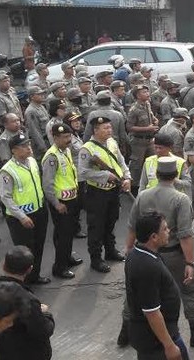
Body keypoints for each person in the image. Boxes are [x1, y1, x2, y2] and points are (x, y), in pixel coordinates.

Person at [126, 156, 194, 348]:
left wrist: (129, 250)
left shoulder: (143, 196)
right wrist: (190, 263)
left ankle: (125, 332)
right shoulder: (180, 199)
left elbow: (132, 226)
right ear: (175, 175)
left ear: (156, 174)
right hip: (174, 255)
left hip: (145, 252)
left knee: (136, 292)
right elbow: (185, 235)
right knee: (190, 290)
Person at [124, 213, 190, 360]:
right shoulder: (146, 266)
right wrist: (169, 346)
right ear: (153, 237)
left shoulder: (140, 254)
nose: (169, 232)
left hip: (160, 336)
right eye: (165, 229)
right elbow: (151, 312)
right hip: (156, 342)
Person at [78, 116, 132, 273]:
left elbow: (121, 162)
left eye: (110, 127)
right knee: (96, 227)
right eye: (105, 128)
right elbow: (83, 172)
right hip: (97, 192)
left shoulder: (112, 142)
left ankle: (110, 251)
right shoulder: (87, 149)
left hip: (113, 190)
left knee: (111, 221)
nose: (109, 130)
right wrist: (104, 175)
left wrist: (127, 177)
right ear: (95, 130)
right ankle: (96, 259)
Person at [0, 133, 50, 285]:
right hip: (20, 218)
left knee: (38, 246)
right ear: (14, 150)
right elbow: (6, 197)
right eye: (24, 146)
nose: (29, 148)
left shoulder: (32, 161)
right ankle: (23, 283)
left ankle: (35, 276)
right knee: (24, 252)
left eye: (29, 145)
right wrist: (21, 216)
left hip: (39, 211)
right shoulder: (8, 170)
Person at [0, 246, 55, 360]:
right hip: (26, 353)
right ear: (30, 269)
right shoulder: (27, 299)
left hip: (0, 351)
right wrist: (46, 314)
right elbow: (42, 330)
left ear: (3, 265)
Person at [41, 124, 83, 279]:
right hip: (61, 202)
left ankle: (67, 257)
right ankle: (60, 267)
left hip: (71, 198)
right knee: (63, 235)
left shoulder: (65, 151)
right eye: (64, 137)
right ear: (55, 138)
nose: (68, 140)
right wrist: (56, 203)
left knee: (68, 232)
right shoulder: (51, 156)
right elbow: (48, 183)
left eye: (69, 136)